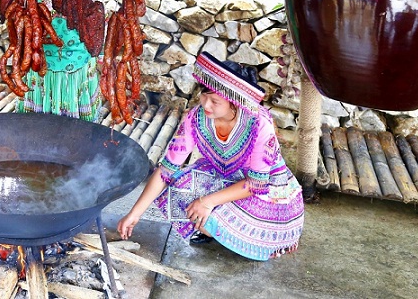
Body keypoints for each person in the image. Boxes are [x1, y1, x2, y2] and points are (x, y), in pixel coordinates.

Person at [117, 52, 304, 261]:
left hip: (264, 189)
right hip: (223, 177)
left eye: (215, 101)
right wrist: (134, 215)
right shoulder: (195, 118)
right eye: (204, 96)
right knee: (176, 188)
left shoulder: (260, 124)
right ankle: (211, 228)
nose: (206, 105)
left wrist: (206, 201)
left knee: (243, 228)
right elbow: (165, 171)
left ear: (235, 101)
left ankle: (221, 229)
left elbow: (255, 185)